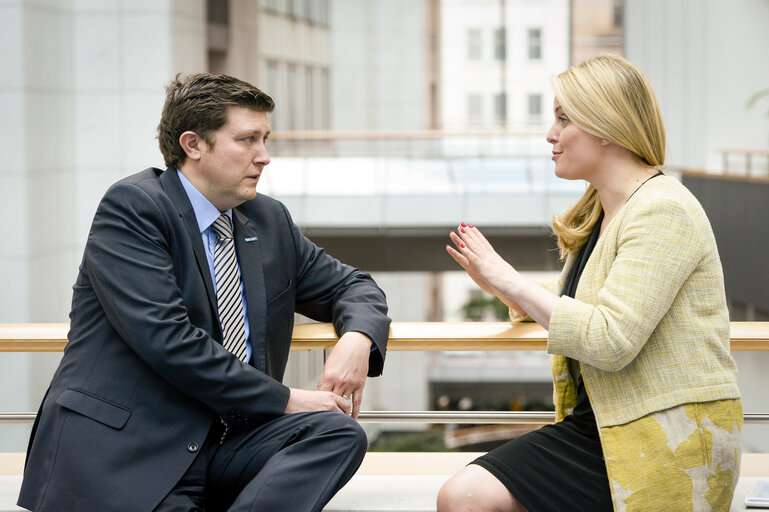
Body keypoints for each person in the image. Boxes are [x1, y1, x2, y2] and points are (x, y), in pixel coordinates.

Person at [18, 73, 391, 512]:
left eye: (265, 139)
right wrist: (289, 398)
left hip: (227, 446)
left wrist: (357, 340)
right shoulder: (134, 208)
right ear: (194, 144)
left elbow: (354, 285)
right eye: (248, 140)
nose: (264, 157)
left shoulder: (268, 220)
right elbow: (169, 340)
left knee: (337, 432)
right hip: (132, 450)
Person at [438, 55, 742, 512]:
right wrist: (499, 284)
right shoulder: (602, 210)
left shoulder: (664, 209)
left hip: (666, 437)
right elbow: (586, 304)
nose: (550, 134)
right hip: (606, 428)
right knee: (464, 496)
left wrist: (509, 280)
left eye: (563, 118)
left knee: (466, 496)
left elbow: (610, 338)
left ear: (605, 125)